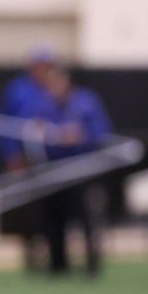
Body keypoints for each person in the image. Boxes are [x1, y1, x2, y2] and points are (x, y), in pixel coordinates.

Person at [39, 65, 112, 276]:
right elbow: (37, 134)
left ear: (67, 81)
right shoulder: (45, 105)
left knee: (86, 217)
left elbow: (102, 132)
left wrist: (80, 137)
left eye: (57, 81)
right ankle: (58, 265)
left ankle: (91, 265)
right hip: (54, 169)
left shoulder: (86, 102)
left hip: (81, 170)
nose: (54, 86)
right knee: (53, 217)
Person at [0, 47, 56, 268]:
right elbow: (5, 124)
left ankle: (53, 249)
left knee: (52, 207)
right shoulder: (18, 90)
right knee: (27, 208)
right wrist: (13, 155)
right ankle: (30, 248)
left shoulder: (55, 87)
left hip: (53, 160)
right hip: (25, 159)